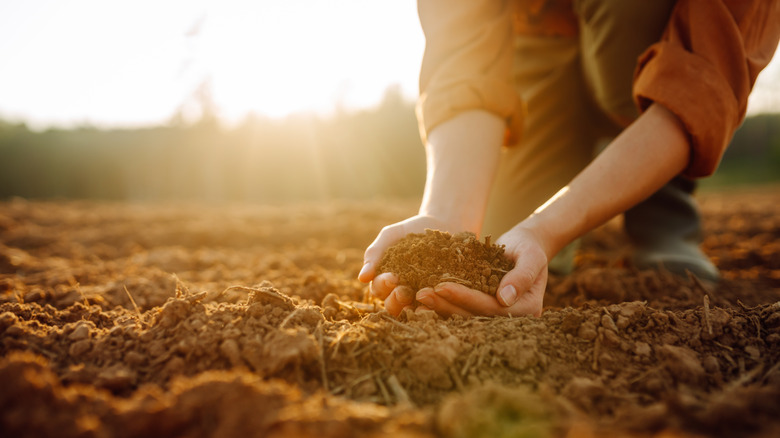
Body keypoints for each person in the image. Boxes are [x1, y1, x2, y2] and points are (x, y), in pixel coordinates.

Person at [358, 0, 780, 318]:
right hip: (535, 46)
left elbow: (703, 80)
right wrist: (448, 216)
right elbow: (463, 59)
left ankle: (662, 204)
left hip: (643, 46)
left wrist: (549, 228)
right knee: (503, 236)